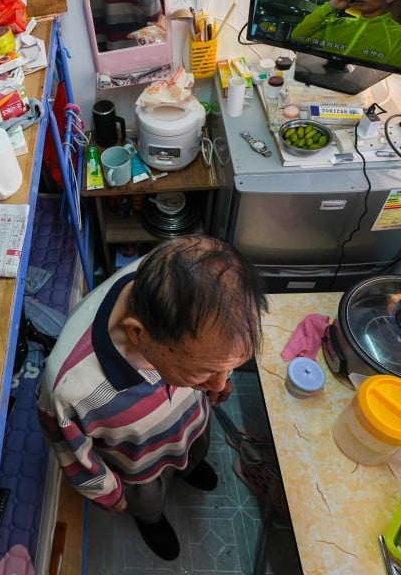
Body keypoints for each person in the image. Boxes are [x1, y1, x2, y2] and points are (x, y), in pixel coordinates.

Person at [37, 236, 267, 561]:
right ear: (138, 335)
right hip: (137, 465)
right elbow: (73, 455)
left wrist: (218, 377)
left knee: (196, 448)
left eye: (228, 369)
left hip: (190, 424)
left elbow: (218, 360)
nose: (220, 384)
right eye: (204, 372)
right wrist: (108, 492)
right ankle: (152, 520)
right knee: (147, 501)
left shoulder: (180, 279)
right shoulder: (67, 390)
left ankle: (190, 468)